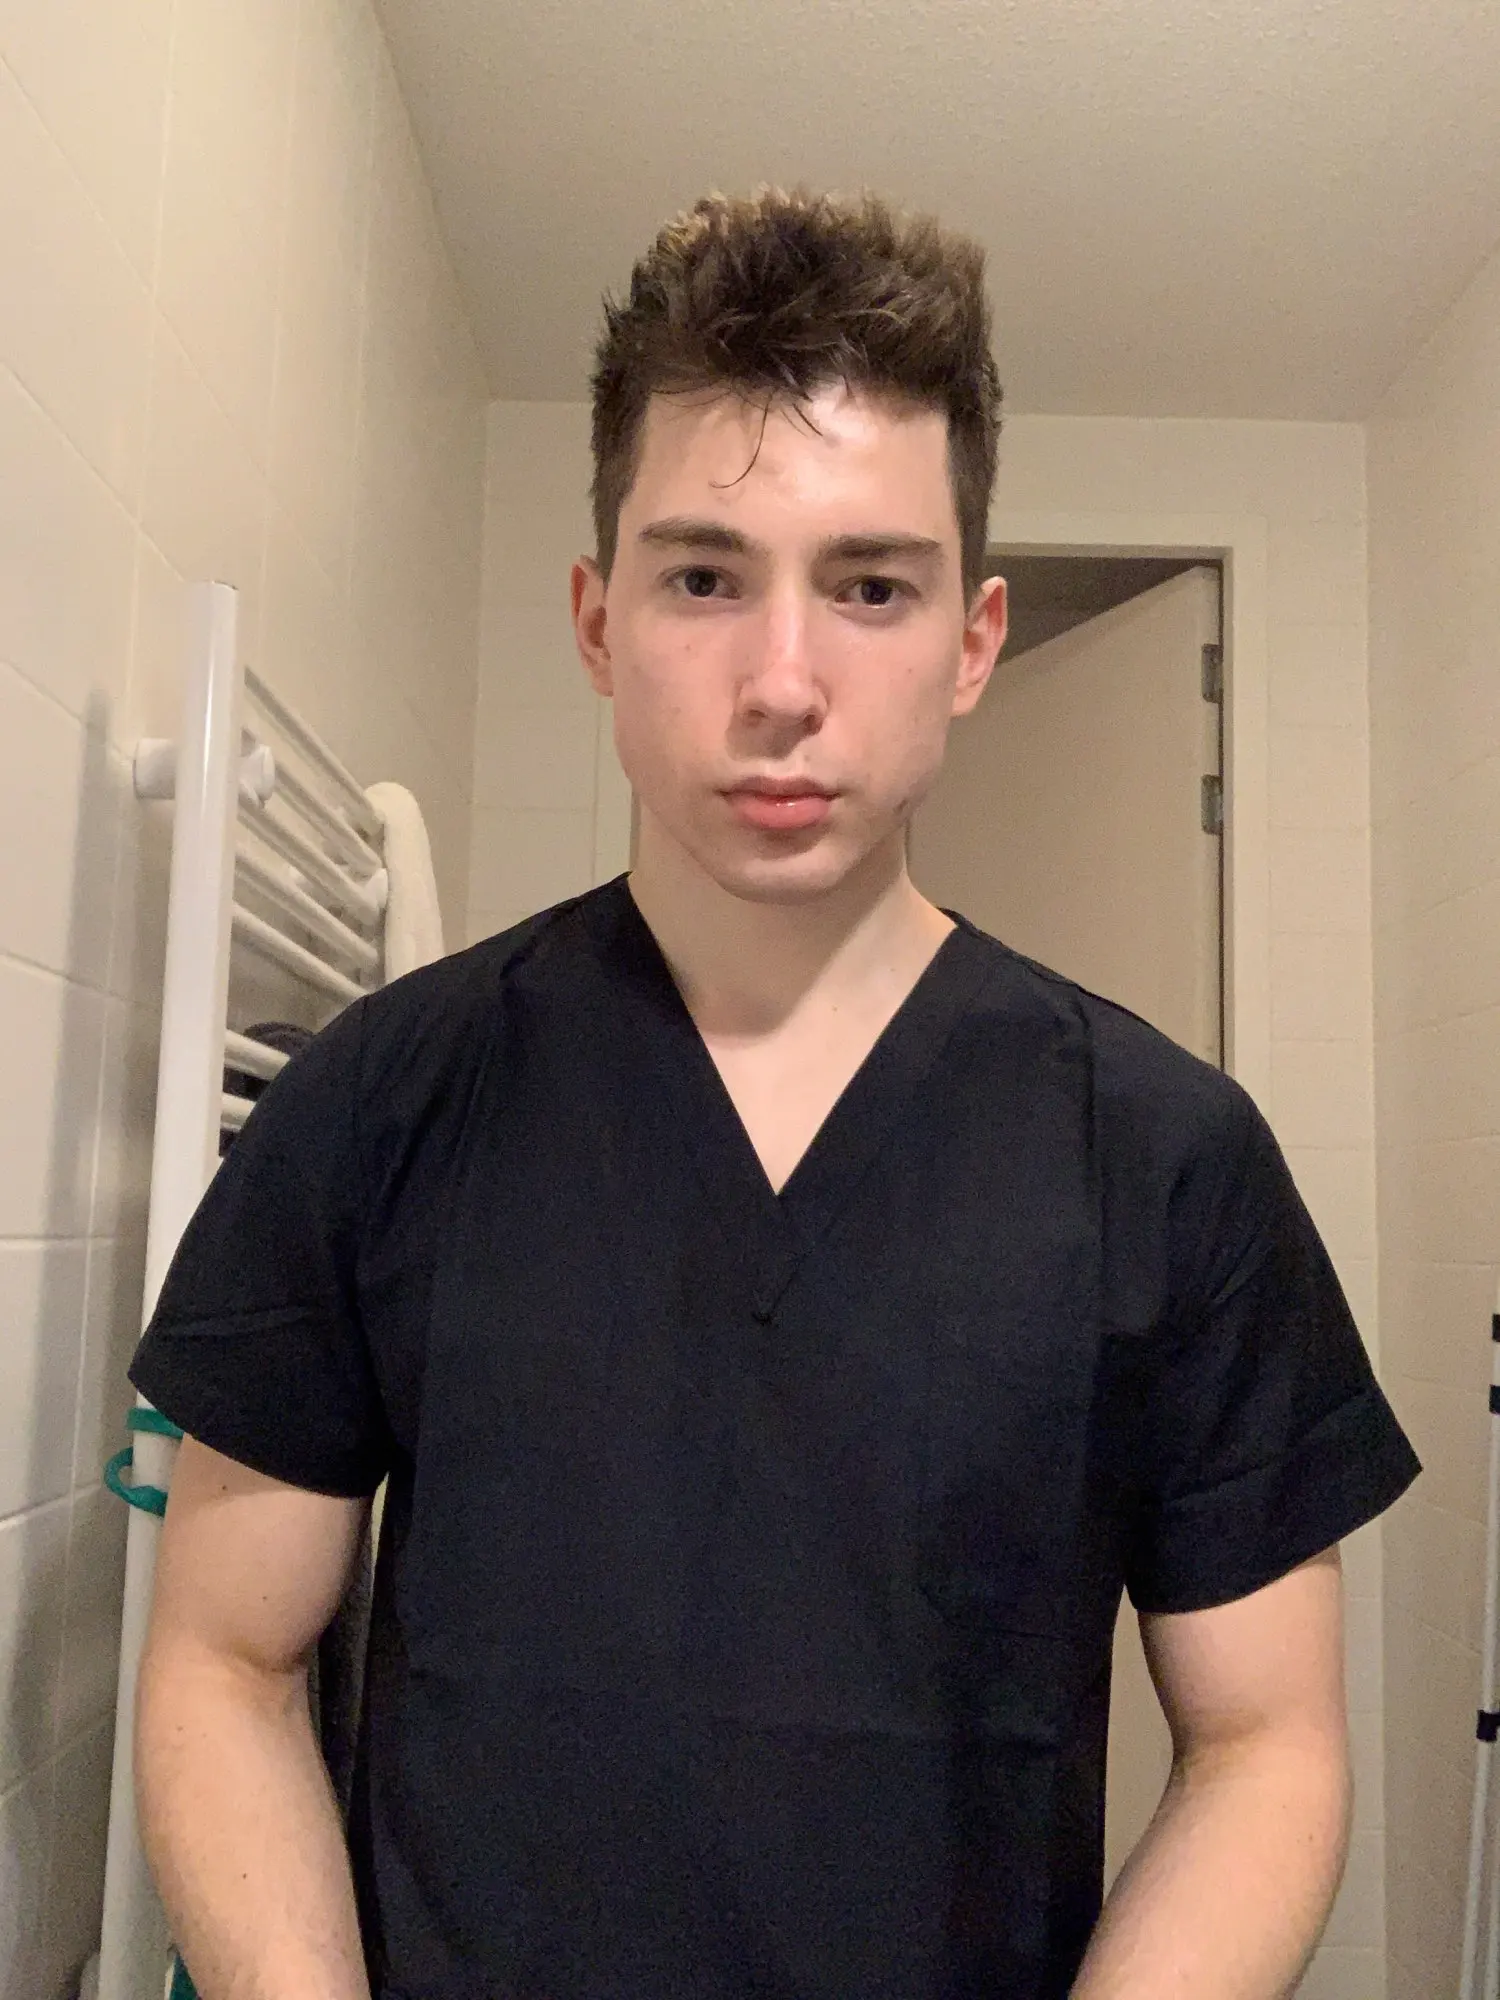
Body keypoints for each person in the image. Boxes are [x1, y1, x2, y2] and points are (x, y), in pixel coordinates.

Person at [129, 187, 1420, 2000]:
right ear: (598, 622)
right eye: (704, 577)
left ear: (972, 641)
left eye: (870, 587)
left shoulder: (1168, 1160)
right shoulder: (379, 1104)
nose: (783, 684)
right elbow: (222, 1662)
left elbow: (1266, 1746)